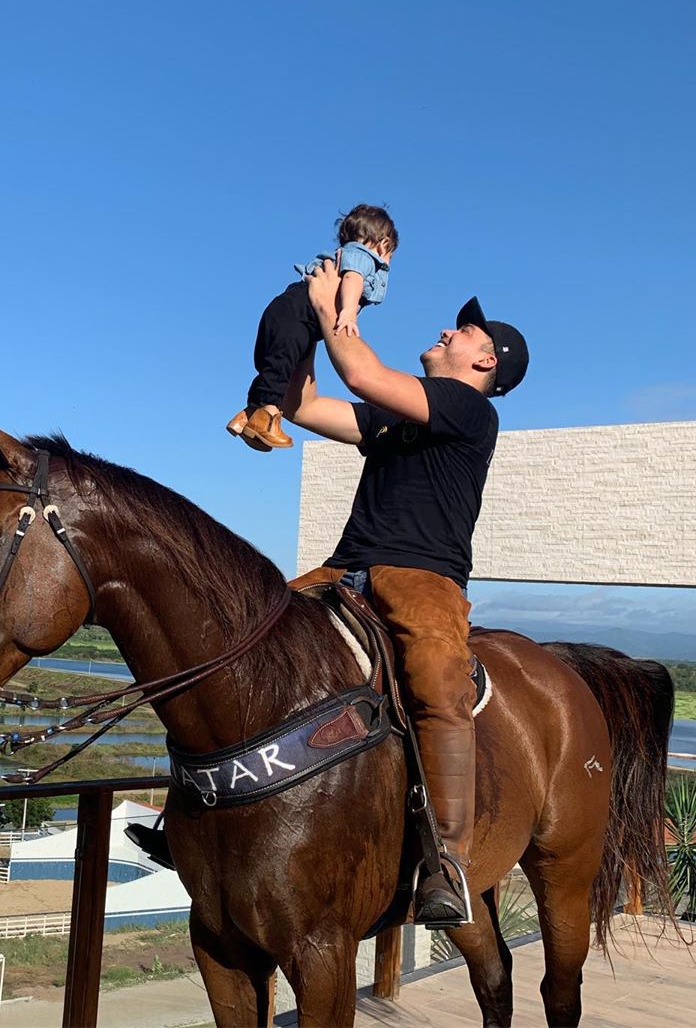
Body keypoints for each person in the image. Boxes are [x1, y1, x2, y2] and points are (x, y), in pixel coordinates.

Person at [284, 259, 529, 926]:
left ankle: (446, 859)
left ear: (486, 365)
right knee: (250, 629)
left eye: (467, 334)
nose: (450, 332)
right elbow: (303, 404)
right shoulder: (397, 417)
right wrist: (304, 315)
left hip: (423, 577)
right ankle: (197, 810)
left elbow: (360, 371)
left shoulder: (468, 410)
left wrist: (344, 307)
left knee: (436, 676)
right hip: (342, 568)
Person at [227, 204, 398, 451]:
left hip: (287, 310)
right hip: (298, 312)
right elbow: (352, 279)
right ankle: (268, 418)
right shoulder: (363, 257)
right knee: (281, 365)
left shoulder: (345, 253)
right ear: (383, 244)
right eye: (390, 254)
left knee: (277, 368)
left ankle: (247, 417)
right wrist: (349, 312)